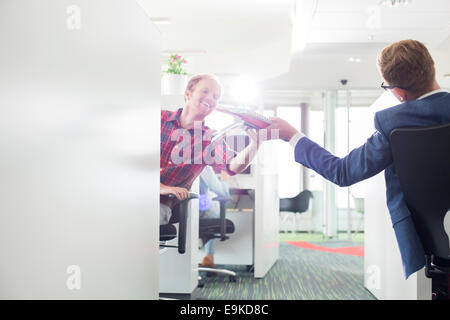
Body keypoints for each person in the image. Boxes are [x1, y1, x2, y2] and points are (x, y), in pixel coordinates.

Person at [266, 39, 450, 283]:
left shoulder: (394, 122)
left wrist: (293, 137)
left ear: (398, 91)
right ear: (432, 66)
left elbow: (342, 172)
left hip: (429, 239)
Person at [160, 73, 259, 227]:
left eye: (215, 96)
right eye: (205, 91)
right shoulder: (159, 118)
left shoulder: (210, 139)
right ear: (188, 94)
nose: (211, 98)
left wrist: (254, 145)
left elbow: (233, 166)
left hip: (158, 206)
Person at [198, 166, 230, 268]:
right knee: (212, 206)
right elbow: (223, 193)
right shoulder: (202, 166)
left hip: (177, 216)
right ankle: (209, 255)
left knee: (207, 203)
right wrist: (225, 177)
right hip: (199, 218)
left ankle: (208, 255)